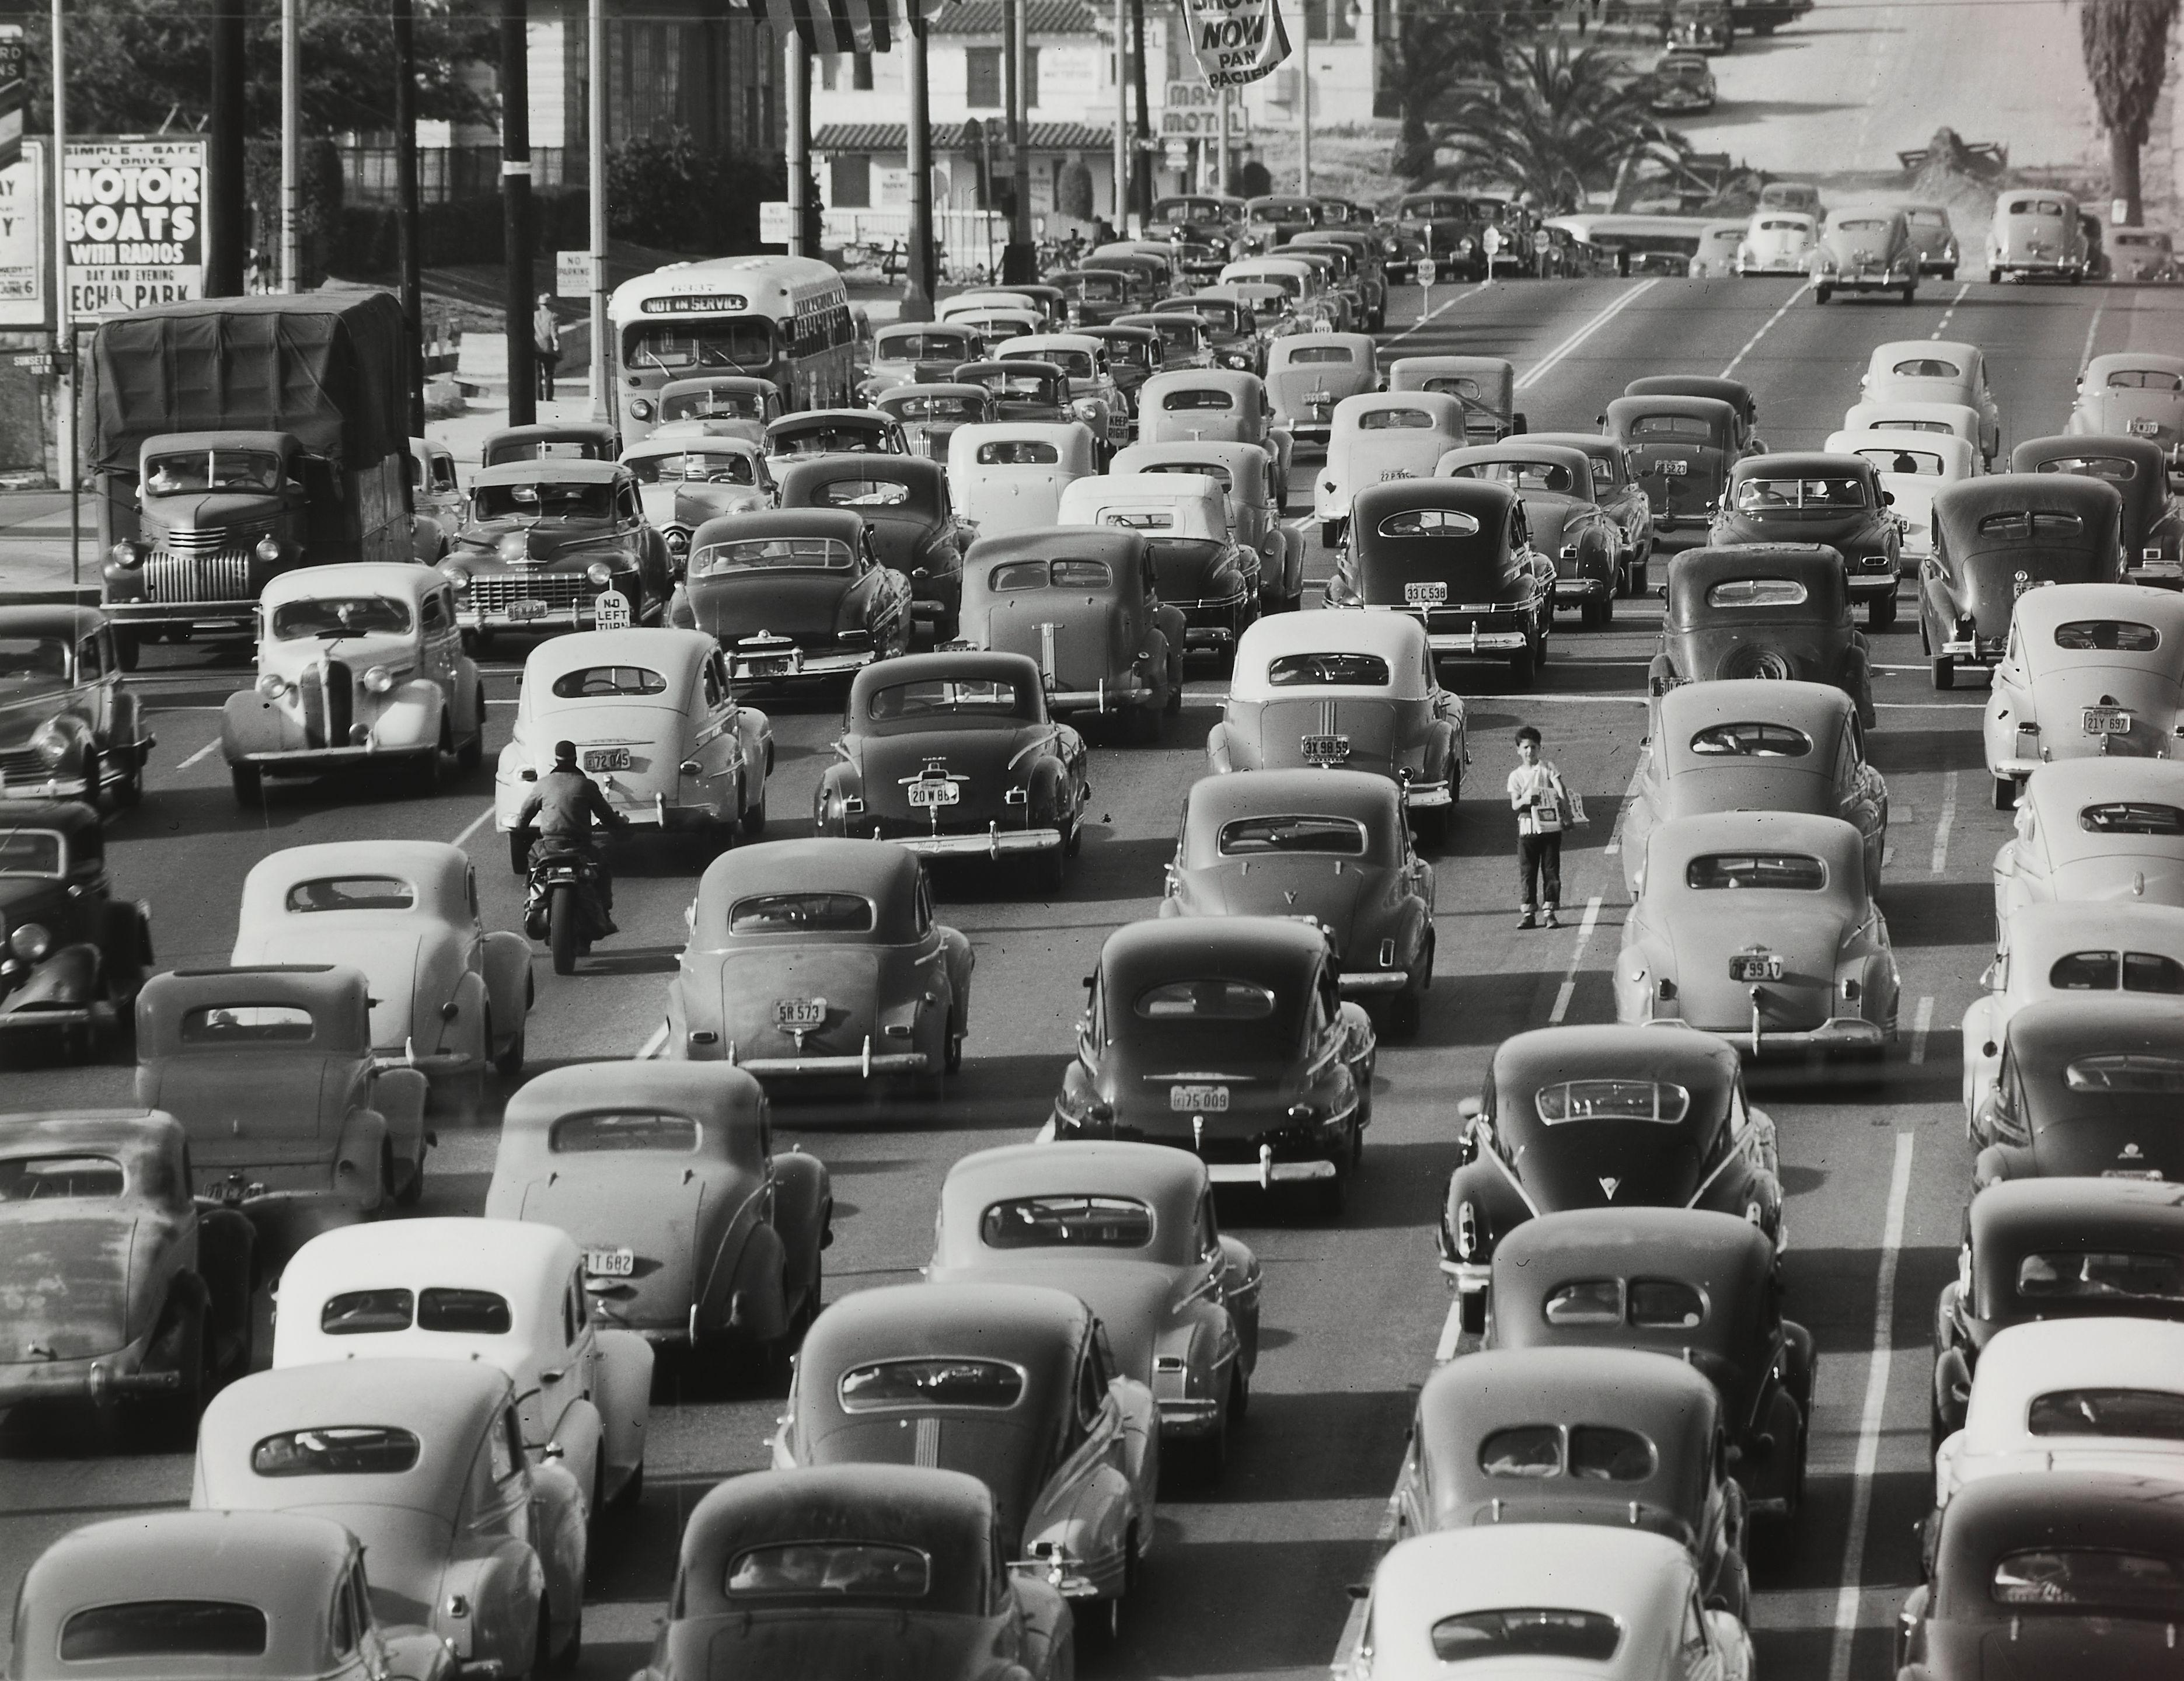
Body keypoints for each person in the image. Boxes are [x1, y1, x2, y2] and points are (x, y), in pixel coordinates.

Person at [515, 739, 629, 936]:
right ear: (576, 758)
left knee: (533, 864)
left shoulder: (543, 784)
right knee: (602, 869)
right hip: (580, 848)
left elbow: (524, 816)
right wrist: (619, 827)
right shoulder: (586, 785)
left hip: (549, 846)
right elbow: (607, 816)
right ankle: (605, 914)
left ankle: (533, 899)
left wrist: (521, 827)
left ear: (556, 759)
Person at [1506, 725, 1575, 930]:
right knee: (1528, 871)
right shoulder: (1516, 776)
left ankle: (1550, 912)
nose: (1530, 752)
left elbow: (1561, 790)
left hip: (1550, 826)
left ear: (1540, 748)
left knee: (1551, 869)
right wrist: (1526, 798)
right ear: (1518, 749)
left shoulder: (1548, 768)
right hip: (1528, 826)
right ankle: (1528, 913)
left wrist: (1567, 815)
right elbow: (1515, 804)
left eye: (1534, 747)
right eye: (1526, 747)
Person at [532, 294, 561, 400]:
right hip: (549, 348)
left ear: (539, 304)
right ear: (550, 304)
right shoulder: (554, 315)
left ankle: (538, 396)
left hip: (536, 348)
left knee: (537, 374)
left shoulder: (534, 315)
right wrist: (556, 342)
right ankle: (549, 396)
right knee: (549, 373)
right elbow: (554, 331)